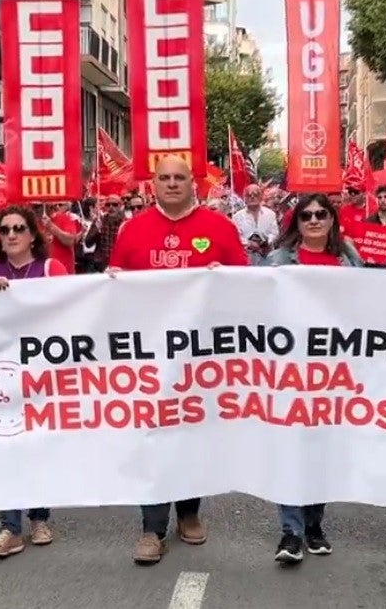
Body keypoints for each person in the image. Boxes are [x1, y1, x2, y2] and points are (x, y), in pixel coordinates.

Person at [106, 156, 248, 565]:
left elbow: (246, 285)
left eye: (178, 178)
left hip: (201, 356)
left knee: (192, 432)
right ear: (153, 184)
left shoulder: (219, 228)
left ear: (192, 183)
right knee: (153, 435)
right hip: (150, 355)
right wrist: (113, 280)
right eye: (164, 178)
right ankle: (152, 528)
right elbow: (113, 290)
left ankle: (189, 512)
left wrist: (226, 280)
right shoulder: (133, 230)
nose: (171, 184)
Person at [267, 193, 363, 564]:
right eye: (305, 215)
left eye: (321, 214)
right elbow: (248, 297)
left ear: (332, 220)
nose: (313, 220)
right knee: (292, 449)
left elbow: (373, 299)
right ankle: (290, 531)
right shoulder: (277, 260)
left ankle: (314, 525)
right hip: (289, 370)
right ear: (296, 223)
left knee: (321, 451)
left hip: (333, 371)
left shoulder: (347, 260)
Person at [0, 204, 69, 559]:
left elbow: (72, 310)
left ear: (33, 234)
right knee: (5, 450)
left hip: (42, 374)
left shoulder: (51, 269)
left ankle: (40, 518)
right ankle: (10, 528)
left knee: (37, 448)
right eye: (5, 230)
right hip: (1, 376)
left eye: (18, 228)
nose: (11, 235)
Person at [232, 184, 280, 265]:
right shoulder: (237, 216)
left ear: (261, 196)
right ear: (245, 198)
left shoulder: (270, 214)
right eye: (249, 195)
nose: (252, 197)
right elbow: (235, 236)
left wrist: (268, 241)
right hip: (247, 259)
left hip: (267, 257)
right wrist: (249, 243)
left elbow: (275, 233)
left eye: (255, 194)